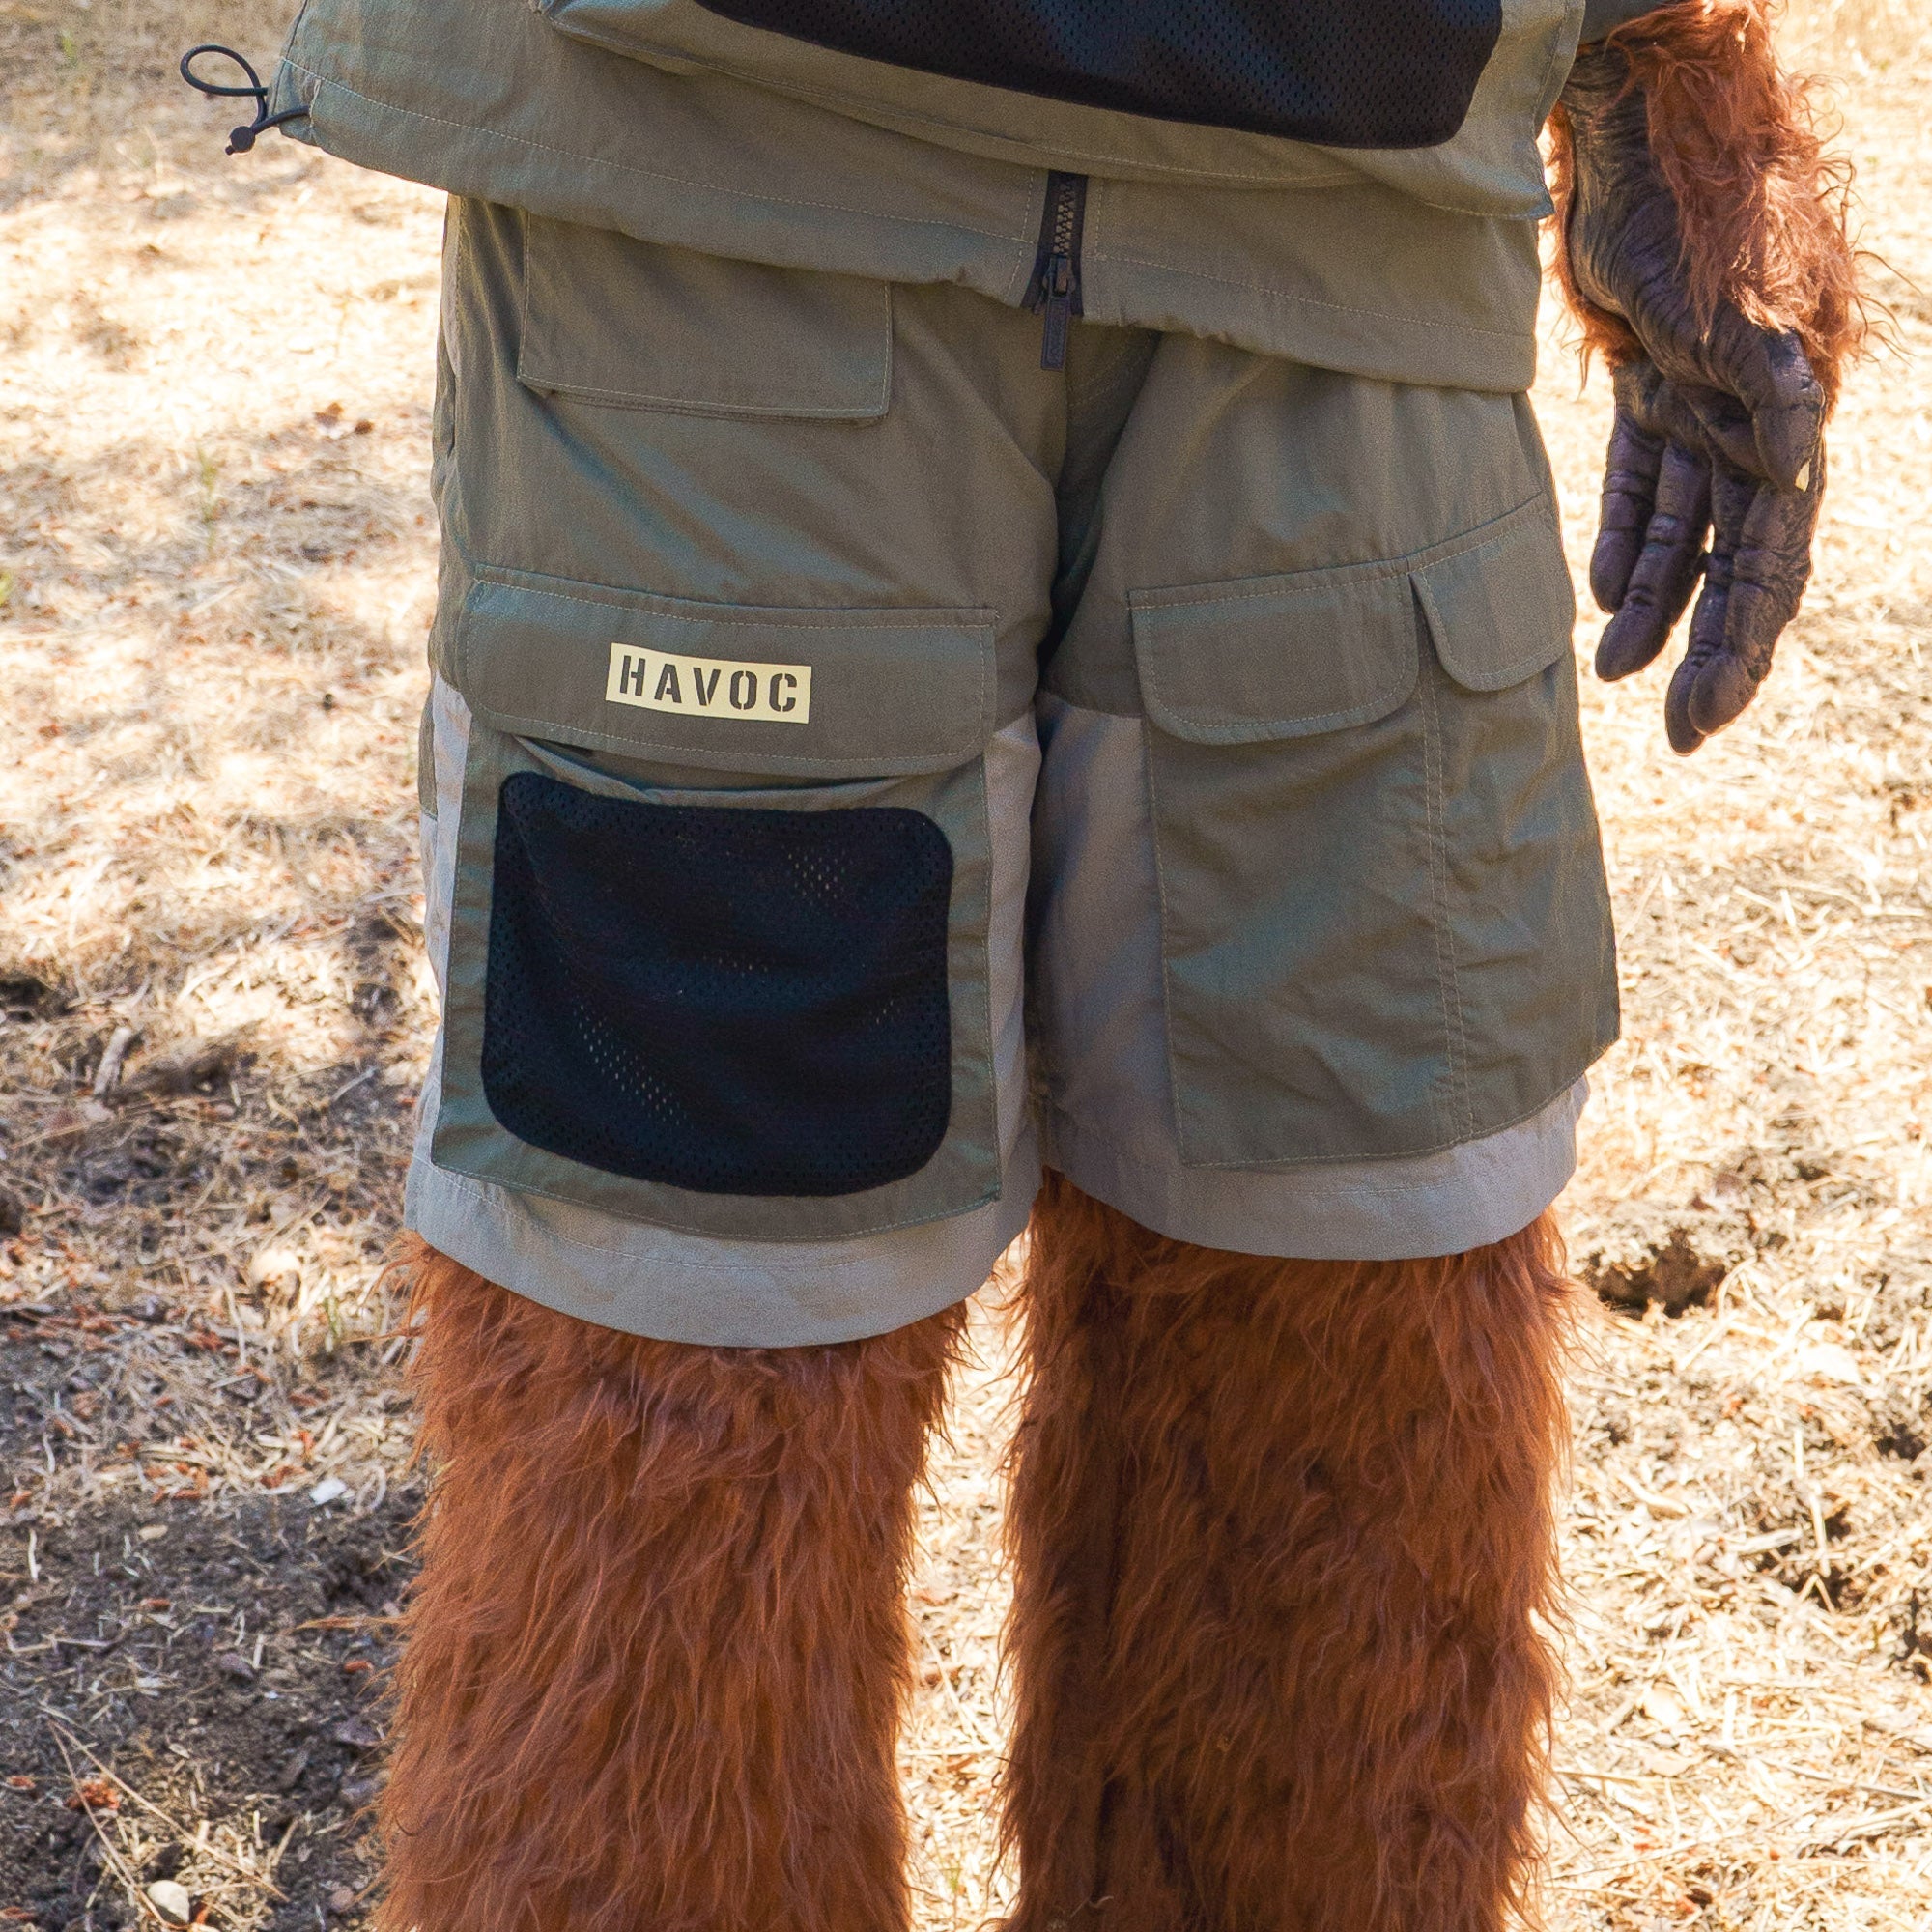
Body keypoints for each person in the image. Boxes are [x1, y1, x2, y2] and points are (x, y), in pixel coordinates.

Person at [186, 4, 1861, 1926]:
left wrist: (1669, 69)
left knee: (1345, 1337)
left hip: (1347, 238)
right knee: (682, 1406)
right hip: (721, 196)